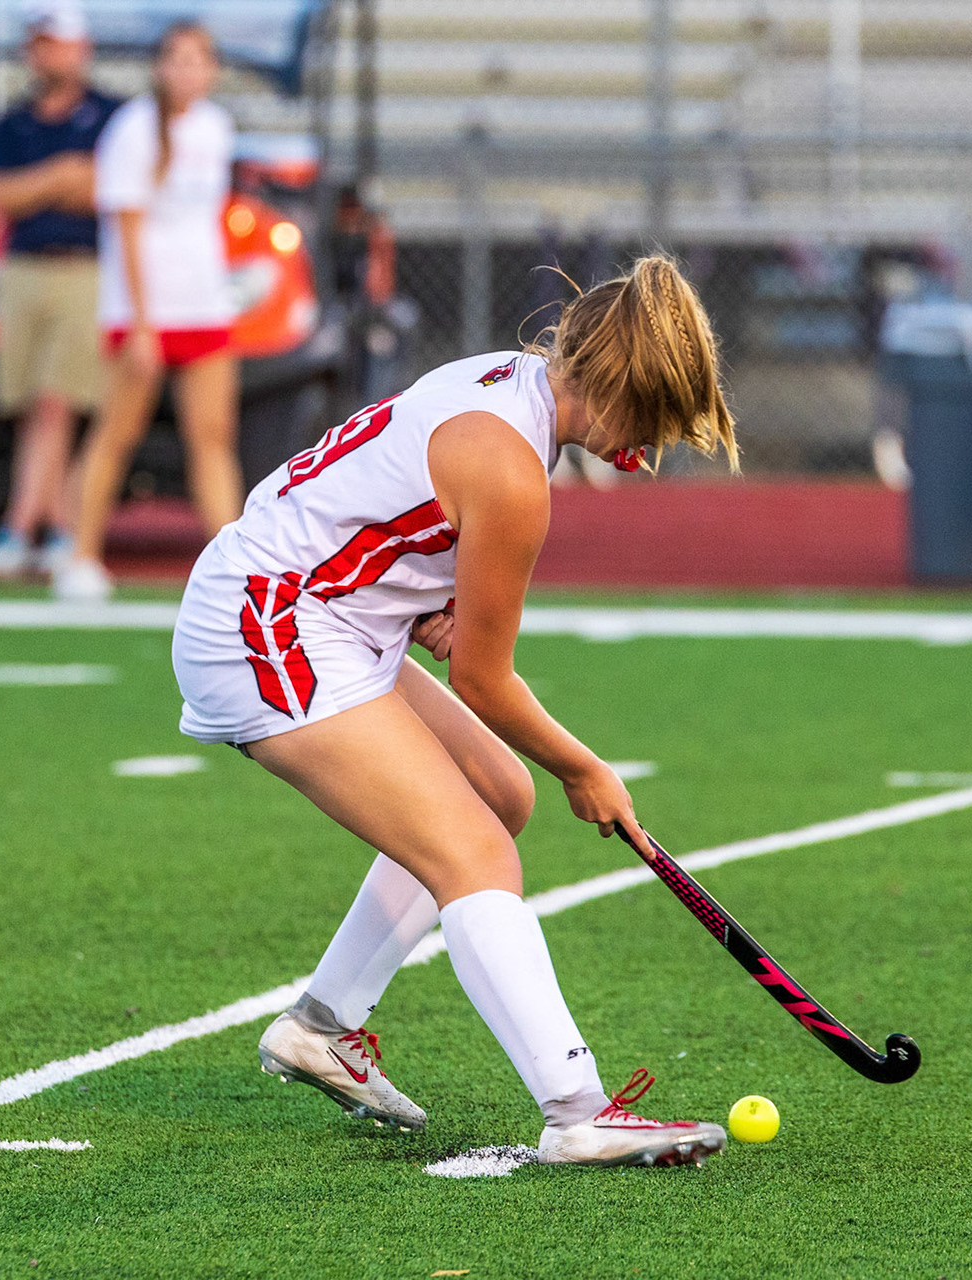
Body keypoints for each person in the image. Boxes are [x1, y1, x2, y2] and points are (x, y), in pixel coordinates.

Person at [172, 256, 740, 1165]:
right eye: (655, 418)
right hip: (269, 622)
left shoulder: (509, 381)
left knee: (499, 795)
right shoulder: (512, 471)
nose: (651, 447)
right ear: (619, 388)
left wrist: (424, 594)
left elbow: (391, 506)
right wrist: (585, 769)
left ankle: (320, 1027)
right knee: (478, 855)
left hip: (327, 610)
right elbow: (484, 679)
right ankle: (578, 1112)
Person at [55, 21, 239, 602]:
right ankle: (80, 555)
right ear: (159, 67)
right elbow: (128, 230)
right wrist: (140, 323)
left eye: (198, 59)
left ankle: (234, 568)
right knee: (117, 432)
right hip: (145, 314)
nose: (187, 70)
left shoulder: (217, 126)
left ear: (212, 69)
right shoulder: (133, 128)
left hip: (204, 308)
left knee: (213, 437)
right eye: (176, 59)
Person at [0, 2, 119, 580]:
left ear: (81, 48)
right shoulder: (10, 122)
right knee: (33, 406)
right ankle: (56, 528)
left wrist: (36, 187)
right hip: (22, 269)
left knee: (58, 401)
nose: (46, 54)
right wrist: (60, 176)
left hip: (86, 268)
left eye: (56, 42)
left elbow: (106, 189)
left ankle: (21, 526)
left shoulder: (111, 115)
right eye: (39, 43)